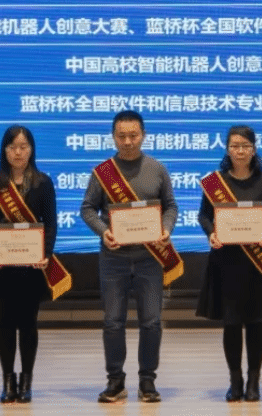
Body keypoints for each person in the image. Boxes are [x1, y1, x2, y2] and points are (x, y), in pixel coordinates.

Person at [80, 110, 181, 403]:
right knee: (113, 321)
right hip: (114, 258)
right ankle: (115, 381)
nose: (127, 141)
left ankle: (147, 381)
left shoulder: (157, 169)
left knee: (151, 322)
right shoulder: (103, 172)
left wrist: (166, 228)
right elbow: (87, 208)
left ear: (143, 135)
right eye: (122, 136)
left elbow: (171, 206)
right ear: (113, 137)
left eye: (133, 135)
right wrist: (103, 231)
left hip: (150, 257)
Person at [197, 125, 262, 402]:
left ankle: (254, 381)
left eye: (245, 146)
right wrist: (211, 233)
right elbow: (204, 216)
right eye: (235, 146)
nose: (240, 151)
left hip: (258, 263)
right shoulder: (215, 182)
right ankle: (235, 381)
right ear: (227, 149)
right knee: (231, 324)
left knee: (255, 324)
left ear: (254, 149)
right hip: (226, 262)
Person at [0, 125, 70, 404]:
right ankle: (8, 381)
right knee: (5, 324)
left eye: (23, 146)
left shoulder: (43, 183)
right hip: (2, 267)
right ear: (4, 150)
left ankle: (27, 380)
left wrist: (46, 253)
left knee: (29, 324)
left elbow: (50, 224)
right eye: (12, 147)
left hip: (32, 268)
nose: (18, 152)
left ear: (31, 149)